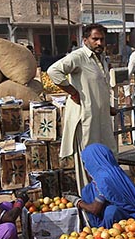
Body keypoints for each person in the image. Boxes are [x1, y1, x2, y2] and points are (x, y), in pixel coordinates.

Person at [47, 23, 118, 193]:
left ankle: (106, 193)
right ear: (85, 40)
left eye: (102, 39)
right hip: (86, 118)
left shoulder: (102, 59)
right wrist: (73, 92)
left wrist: (108, 107)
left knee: (108, 154)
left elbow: (98, 88)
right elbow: (53, 71)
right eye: (95, 39)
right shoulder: (78, 56)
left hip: (101, 118)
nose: (99, 43)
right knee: (89, 159)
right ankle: (89, 198)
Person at [66, 144, 135, 228]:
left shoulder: (104, 179)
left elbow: (94, 209)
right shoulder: (114, 171)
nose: (85, 166)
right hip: (114, 207)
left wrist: (78, 202)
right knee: (88, 190)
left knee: (111, 211)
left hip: (130, 217)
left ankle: (103, 228)